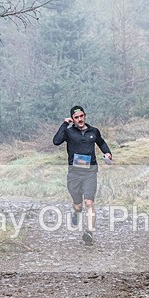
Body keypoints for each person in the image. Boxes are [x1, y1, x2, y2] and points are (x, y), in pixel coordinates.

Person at [53, 105, 113, 245]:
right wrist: (64, 124)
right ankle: (76, 213)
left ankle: (89, 233)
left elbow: (101, 143)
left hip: (90, 172)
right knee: (78, 206)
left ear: (85, 116)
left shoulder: (94, 131)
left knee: (89, 202)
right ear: (73, 119)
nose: (80, 119)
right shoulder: (69, 132)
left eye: (81, 116)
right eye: (76, 118)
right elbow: (56, 141)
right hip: (74, 174)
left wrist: (108, 152)